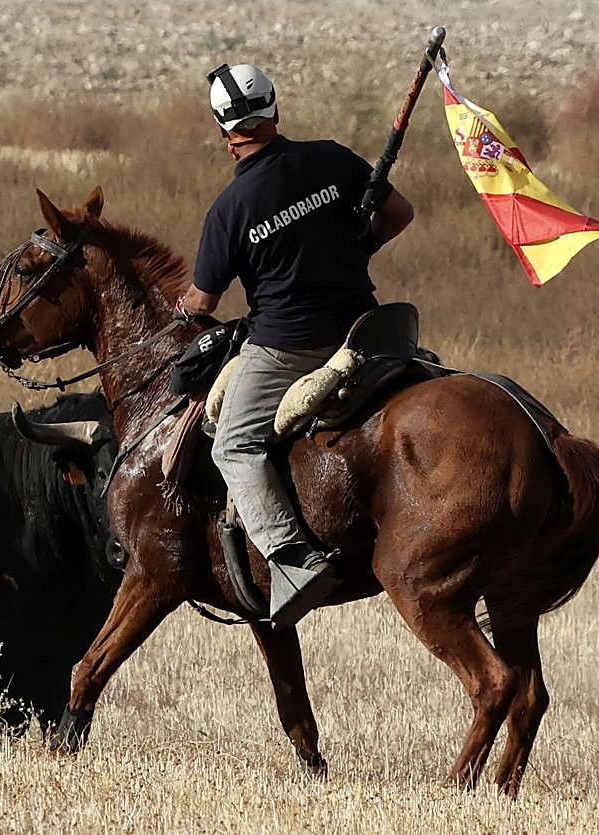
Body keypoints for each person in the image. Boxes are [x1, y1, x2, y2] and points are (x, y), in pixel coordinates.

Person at [175, 63, 414, 626]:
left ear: (223, 128)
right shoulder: (332, 157)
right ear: (275, 110)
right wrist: (360, 247)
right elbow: (400, 213)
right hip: (364, 327)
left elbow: (203, 303)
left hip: (289, 349)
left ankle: (293, 560)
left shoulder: (229, 210)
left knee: (231, 445)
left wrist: (179, 307)